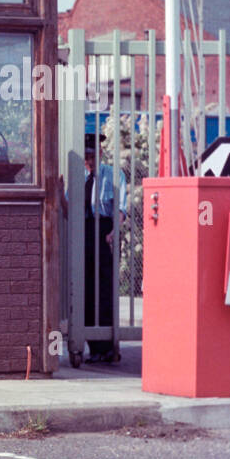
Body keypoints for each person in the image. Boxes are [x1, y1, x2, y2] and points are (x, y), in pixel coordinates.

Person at [83, 137, 127, 362]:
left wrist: (114, 232)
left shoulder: (113, 174)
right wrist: (61, 195)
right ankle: (93, 347)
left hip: (105, 231)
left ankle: (109, 345)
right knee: (86, 289)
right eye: (85, 157)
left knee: (105, 287)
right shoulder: (80, 177)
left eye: (91, 156)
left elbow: (120, 209)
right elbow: (71, 209)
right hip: (85, 231)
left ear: (100, 153)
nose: (88, 161)